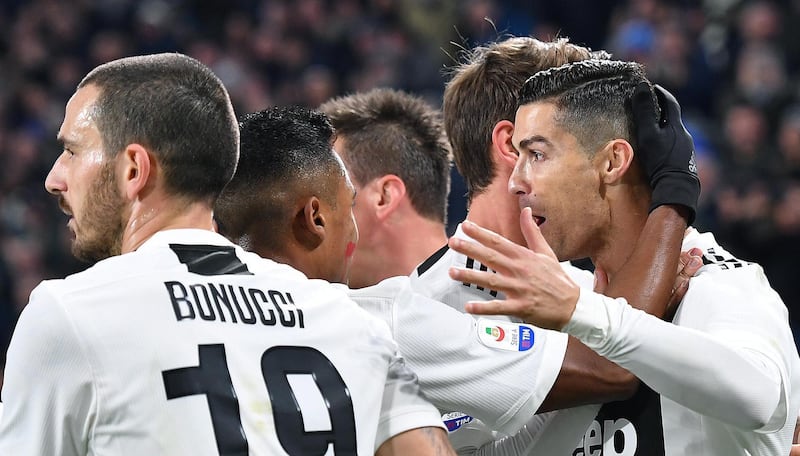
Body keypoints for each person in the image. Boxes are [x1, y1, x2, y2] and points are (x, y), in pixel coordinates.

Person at [0, 53, 452, 456]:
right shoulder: (350, 321)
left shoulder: (70, 316)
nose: (54, 178)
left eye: (72, 151)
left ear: (134, 170)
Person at [215, 103, 703, 455]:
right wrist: (673, 196)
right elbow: (612, 367)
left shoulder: (179, 315)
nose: (356, 228)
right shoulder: (379, 321)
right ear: (315, 218)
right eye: (349, 208)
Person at [449, 59, 800, 455]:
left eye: (538, 155)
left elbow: (758, 397)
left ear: (613, 162)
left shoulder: (713, 281)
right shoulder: (581, 299)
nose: (515, 181)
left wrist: (585, 313)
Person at [405, 35, 701, 451]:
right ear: (513, 145)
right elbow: (609, 369)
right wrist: (674, 197)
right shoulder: (428, 308)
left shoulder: (597, 288)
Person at [318, 88, 451, 288]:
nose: (308, 220)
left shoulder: (497, 308)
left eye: (321, 193)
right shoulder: (317, 310)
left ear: (384, 197)